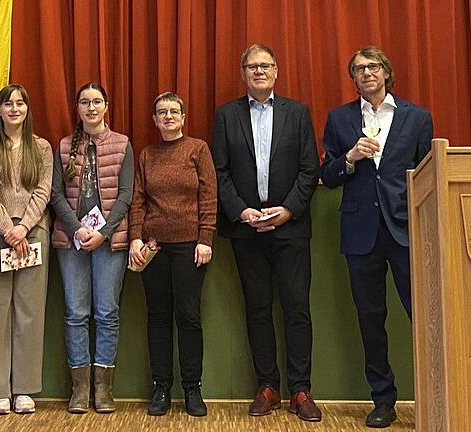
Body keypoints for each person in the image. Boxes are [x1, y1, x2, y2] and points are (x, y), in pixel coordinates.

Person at [320, 46, 433, 428]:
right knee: (371, 318)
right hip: (360, 233)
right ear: (353, 78)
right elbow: (328, 176)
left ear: (386, 71)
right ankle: (383, 399)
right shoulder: (339, 119)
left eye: (373, 66)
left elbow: (427, 176)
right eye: (358, 69)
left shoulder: (417, 118)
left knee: (423, 314)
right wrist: (350, 158)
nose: (366, 73)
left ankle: (436, 394)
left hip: (405, 229)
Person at [211, 44, 321, 422]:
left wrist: (287, 210)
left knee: (296, 309)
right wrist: (242, 210)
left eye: (265, 65)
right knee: (257, 309)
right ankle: (268, 387)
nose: (259, 71)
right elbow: (219, 172)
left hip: (290, 228)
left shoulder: (298, 113)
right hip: (247, 229)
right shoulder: (226, 115)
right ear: (243, 73)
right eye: (252, 66)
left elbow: (310, 170)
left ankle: (301, 389)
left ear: (276, 70)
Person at [128, 92, 217, 417]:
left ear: (183, 117)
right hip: (154, 248)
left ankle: (192, 389)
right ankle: (161, 387)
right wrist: (136, 238)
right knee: (158, 317)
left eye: (174, 111)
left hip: (190, 247)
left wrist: (205, 238)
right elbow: (137, 200)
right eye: (162, 112)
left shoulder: (197, 149)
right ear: (154, 120)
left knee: (189, 317)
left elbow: (209, 196)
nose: (168, 116)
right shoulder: (147, 154)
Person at [50, 82, 134, 414]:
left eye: (97, 101)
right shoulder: (64, 145)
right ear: (78, 108)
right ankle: (80, 388)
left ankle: (103, 389)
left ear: (107, 106)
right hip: (71, 241)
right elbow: (56, 194)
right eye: (85, 102)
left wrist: (104, 232)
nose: (91, 107)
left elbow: (126, 194)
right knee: (75, 313)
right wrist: (78, 229)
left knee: (107, 313)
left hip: (110, 242)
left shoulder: (122, 144)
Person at [0, 84, 53, 415]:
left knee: (29, 313)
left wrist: (24, 227)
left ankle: (24, 388)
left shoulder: (42, 148)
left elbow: (44, 190)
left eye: (20, 103)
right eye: (8, 104)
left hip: (34, 234)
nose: (14, 108)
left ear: (27, 109)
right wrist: (8, 229)